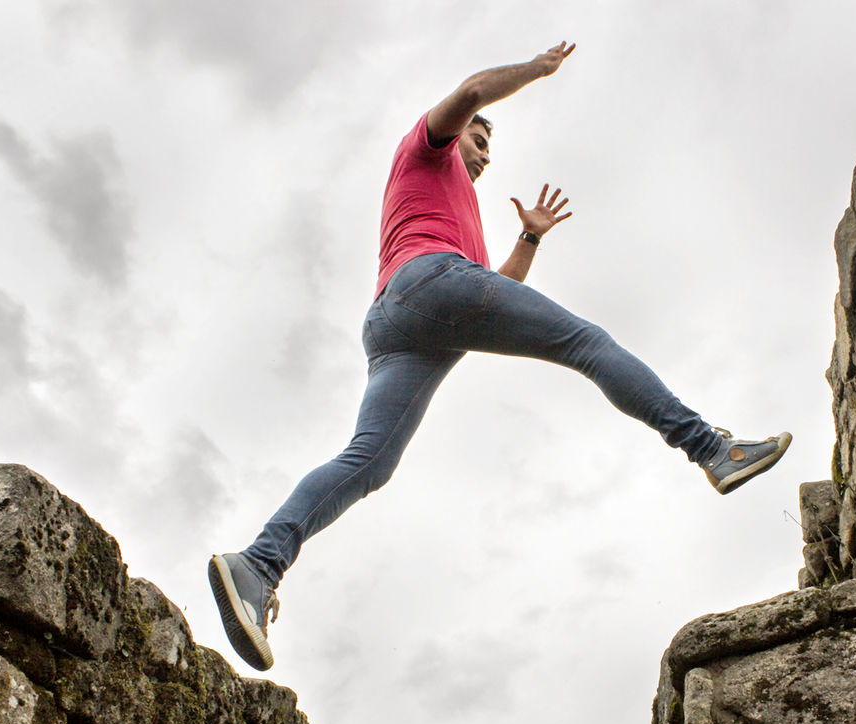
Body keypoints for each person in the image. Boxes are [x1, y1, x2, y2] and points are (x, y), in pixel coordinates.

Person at [209, 41, 791, 671]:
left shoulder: (464, 220)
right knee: (586, 343)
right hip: (426, 285)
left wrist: (529, 238)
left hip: (403, 322)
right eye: (479, 142)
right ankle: (711, 447)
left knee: (370, 461)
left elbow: (495, 297)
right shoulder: (422, 151)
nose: (484, 156)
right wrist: (535, 72)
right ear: (457, 136)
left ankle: (257, 565)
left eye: (489, 149)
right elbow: (470, 93)